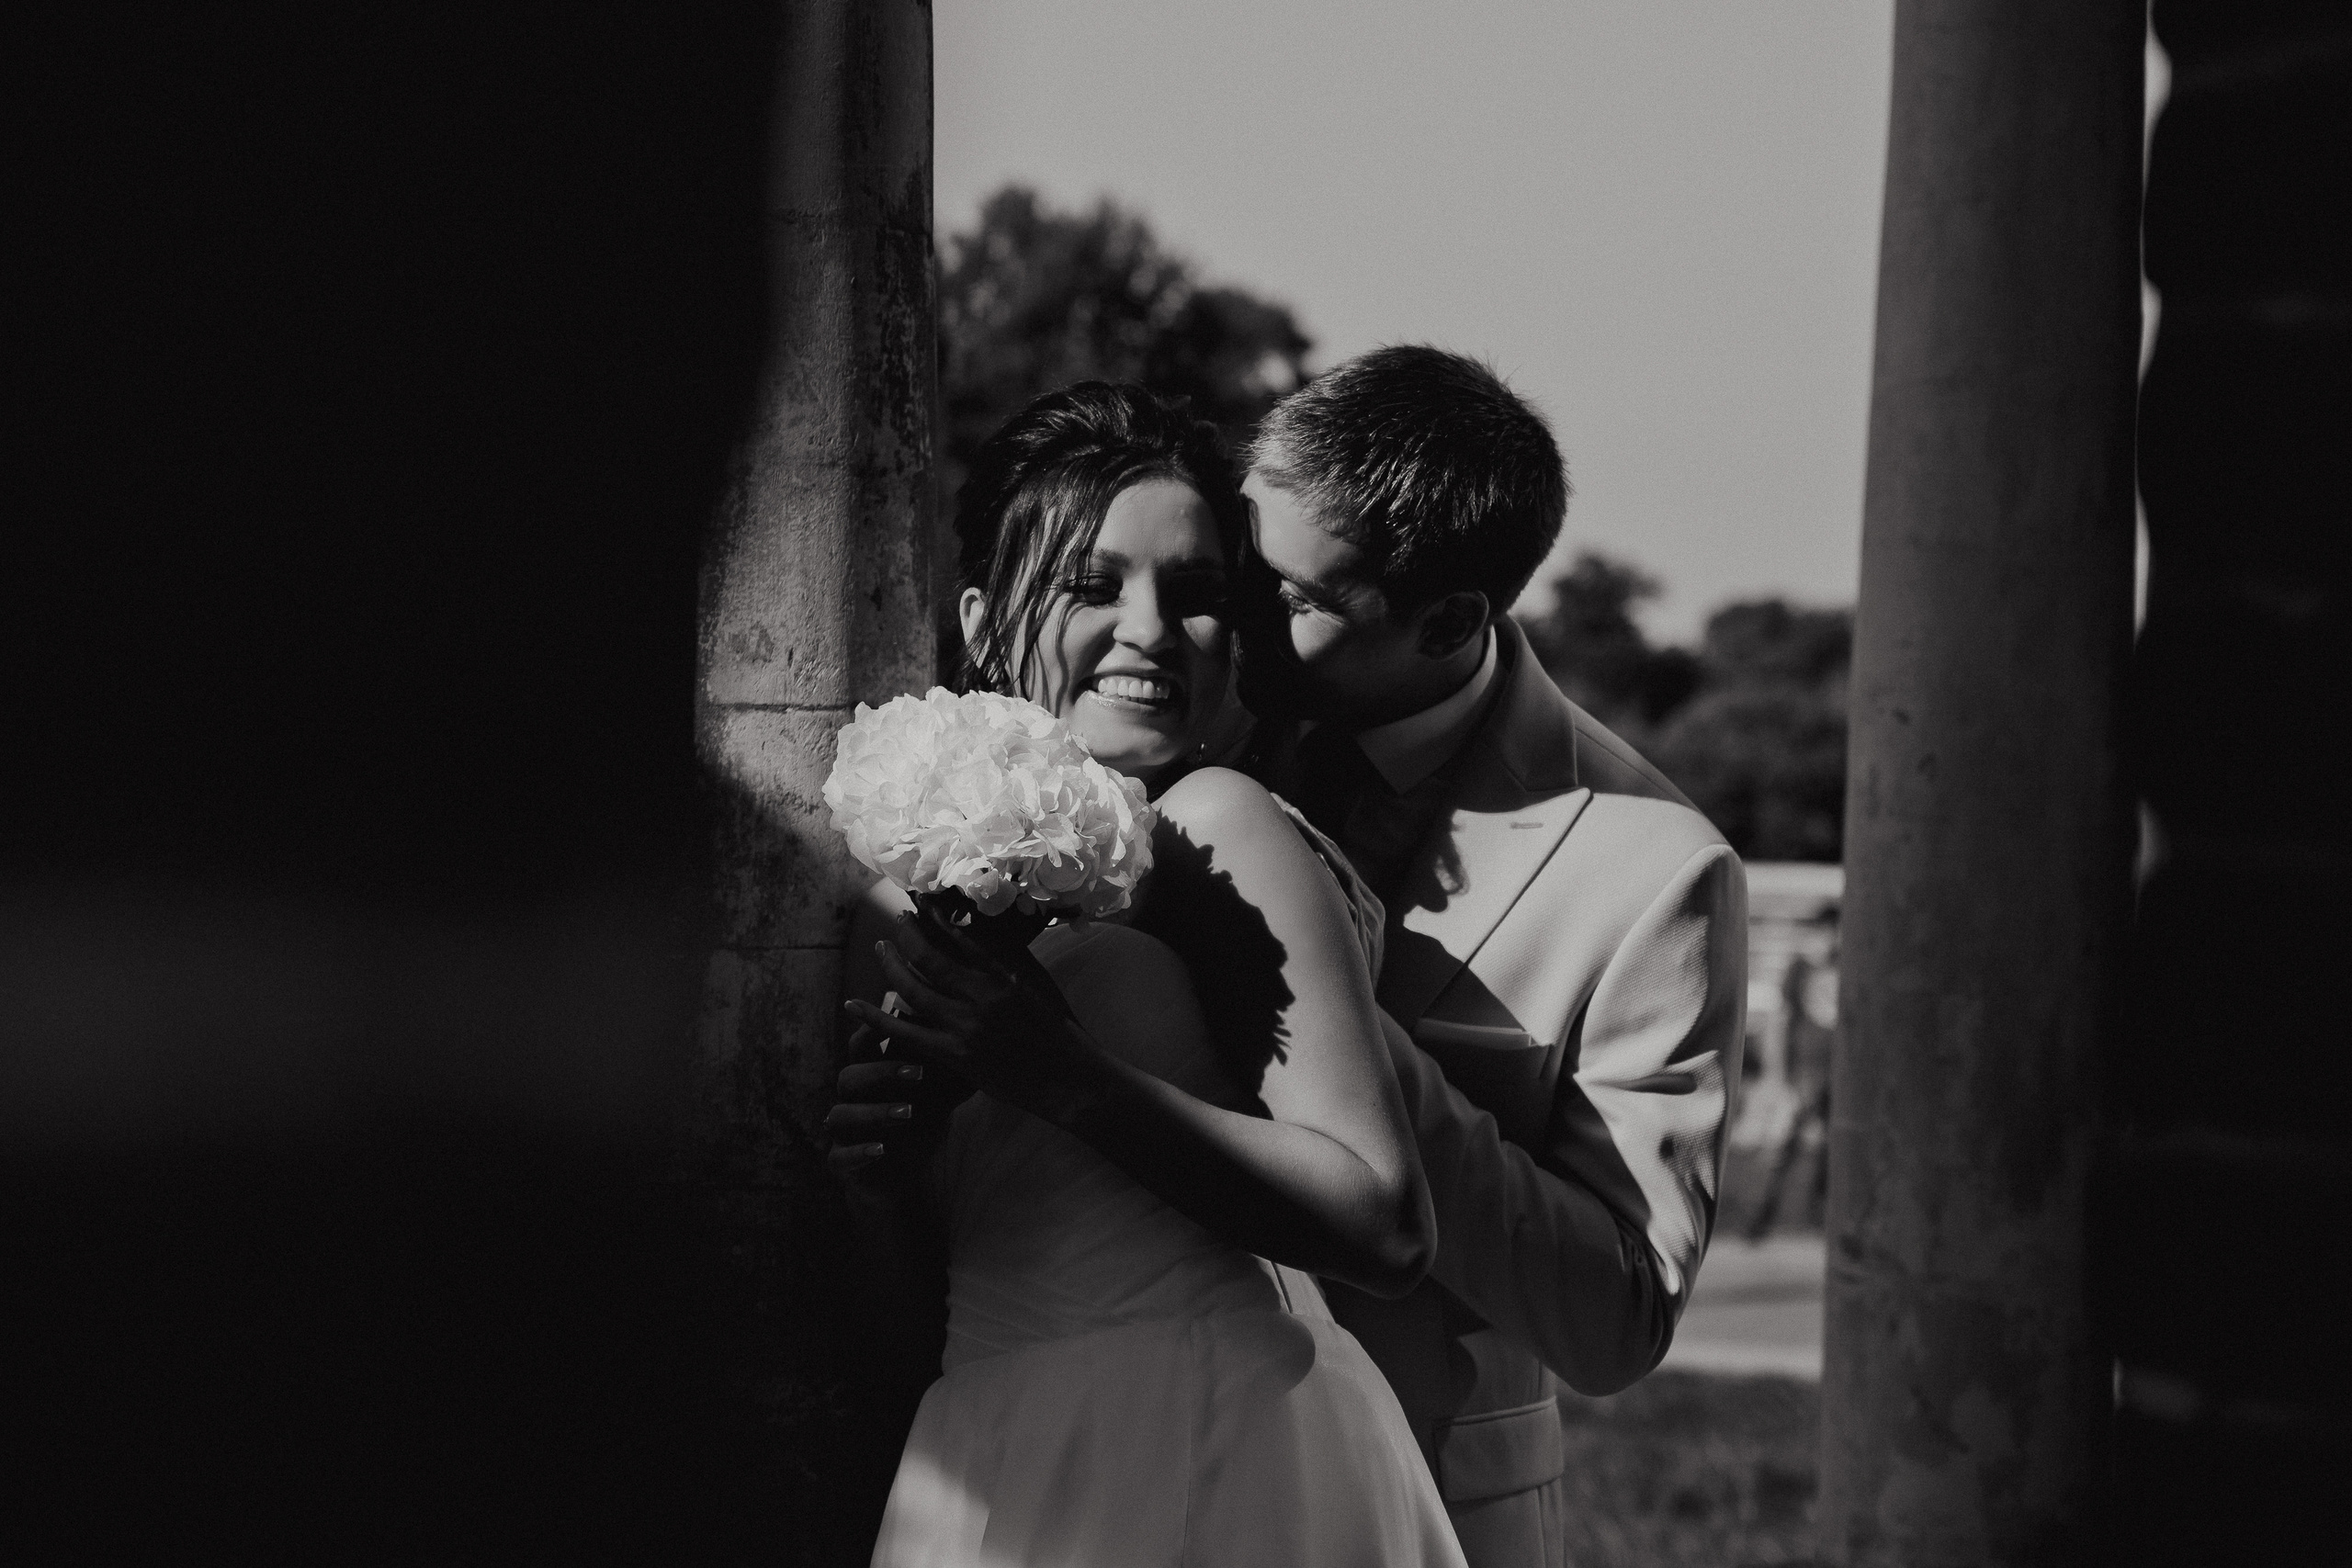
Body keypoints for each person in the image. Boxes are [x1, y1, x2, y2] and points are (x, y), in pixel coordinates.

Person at [828, 383, 1468, 1568]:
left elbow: (1384, 1222)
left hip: (1221, 1436)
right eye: (1094, 584)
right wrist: (881, 1181)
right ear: (981, 619)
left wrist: (1065, 1077)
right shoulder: (885, 899)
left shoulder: (1217, 826)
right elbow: (909, 1317)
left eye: (1197, 596)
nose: (1151, 629)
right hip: (984, 1452)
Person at [1233, 345, 1747, 1568]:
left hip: (1430, 1510)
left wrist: (1359, 1052)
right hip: (1127, 1450)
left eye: (1295, 598)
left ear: (1453, 620)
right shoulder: (1176, 714)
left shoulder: (1653, 871)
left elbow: (1619, 1316)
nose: (1236, 617)